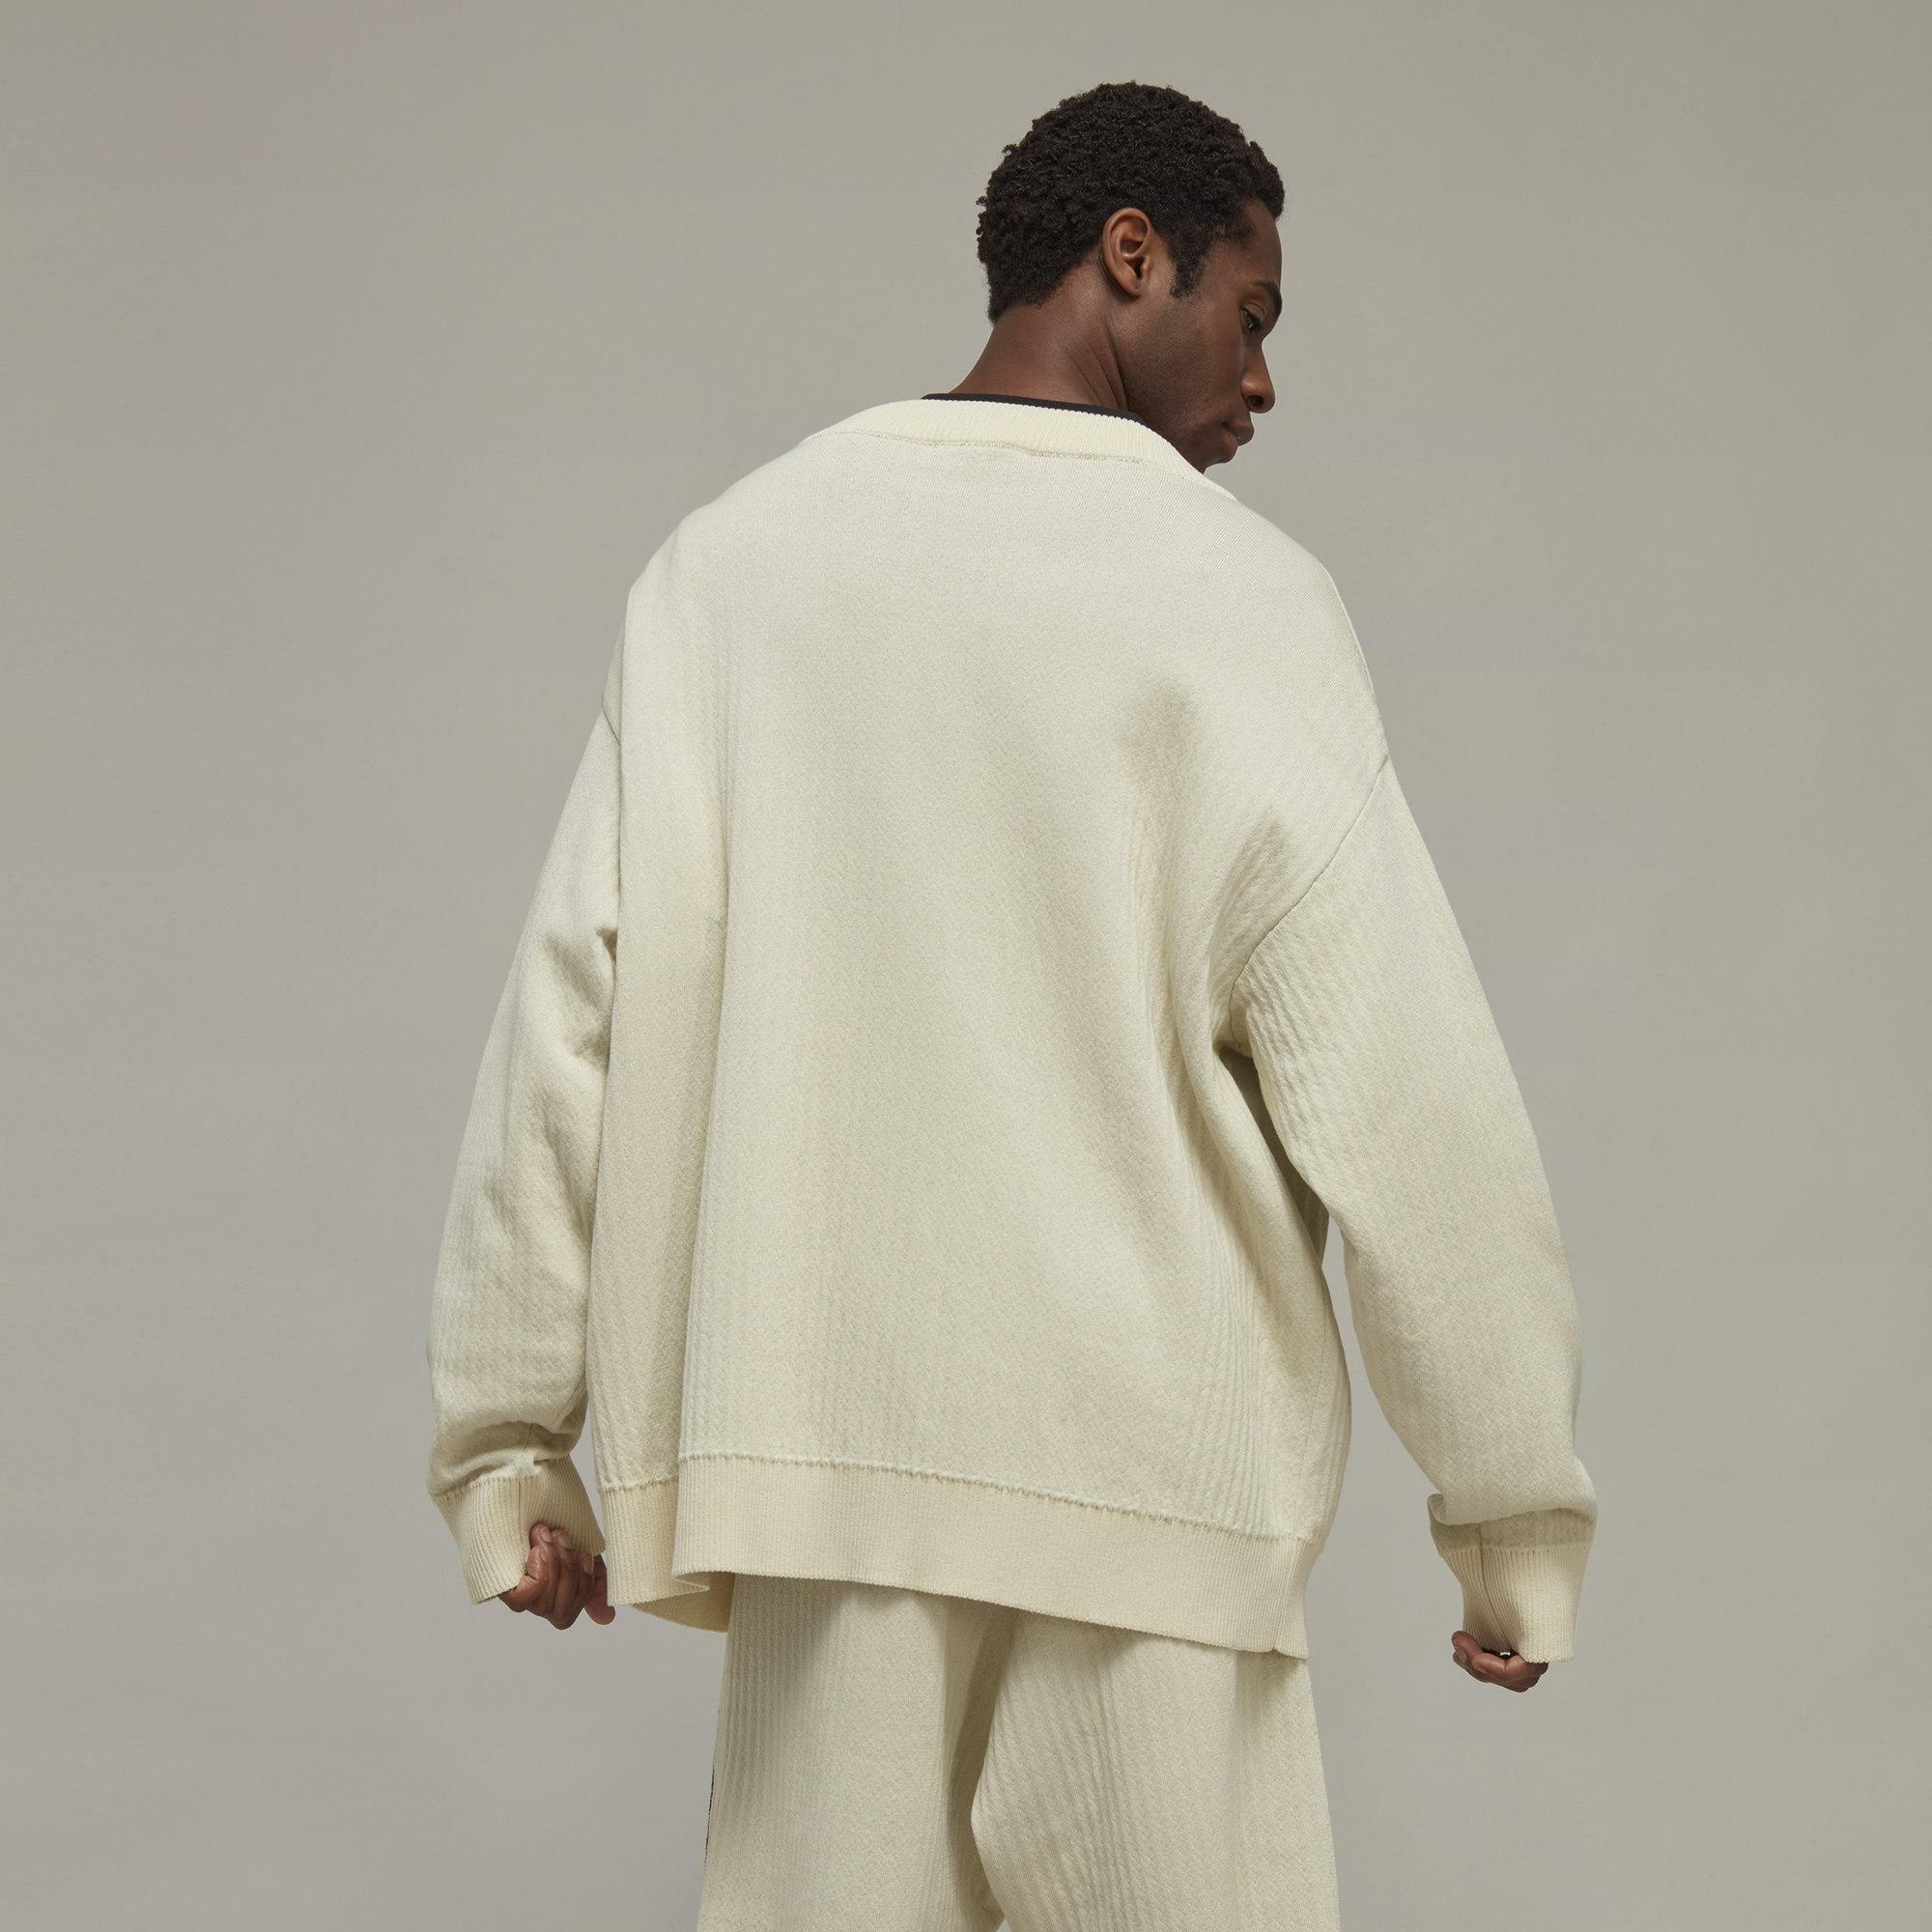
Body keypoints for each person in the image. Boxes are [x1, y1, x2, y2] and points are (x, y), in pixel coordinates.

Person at [424, 78, 1598, 1929]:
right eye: (1251, 314)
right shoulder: (1244, 605)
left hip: (818, 1485)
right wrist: (1509, 1510)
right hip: (1157, 1502)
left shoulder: (732, 573)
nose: (1263, 381)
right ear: (1131, 255)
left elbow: (571, 1016)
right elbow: (1409, 1098)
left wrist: (509, 1451)